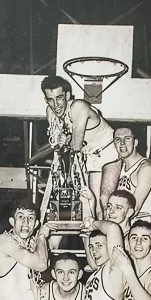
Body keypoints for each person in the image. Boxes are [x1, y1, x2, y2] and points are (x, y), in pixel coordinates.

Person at [41, 74, 122, 216]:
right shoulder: (50, 112)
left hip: (109, 153)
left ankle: (115, 236)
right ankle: (99, 238)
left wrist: (64, 139)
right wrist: (59, 140)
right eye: (51, 100)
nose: (56, 104)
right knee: (94, 207)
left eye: (59, 98)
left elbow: (76, 145)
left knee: (105, 199)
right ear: (46, 100)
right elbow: (56, 144)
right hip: (91, 157)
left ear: (67, 96)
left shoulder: (78, 107)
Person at [113, 126, 151, 238]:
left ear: (135, 142)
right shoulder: (120, 168)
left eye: (127, 138)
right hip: (129, 226)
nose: (122, 143)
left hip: (147, 228)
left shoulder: (146, 168)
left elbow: (134, 208)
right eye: (118, 139)